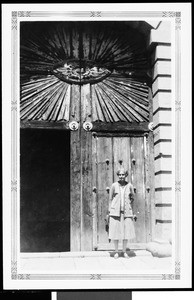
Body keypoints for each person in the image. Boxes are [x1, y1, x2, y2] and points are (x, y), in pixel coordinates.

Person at [108, 167, 136, 259]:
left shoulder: (130, 186)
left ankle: (124, 252)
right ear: (118, 175)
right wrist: (109, 211)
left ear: (126, 175)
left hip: (126, 213)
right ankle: (116, 251)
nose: (121, 176)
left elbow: (132, 198)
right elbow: (110, 199)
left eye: (123, 174)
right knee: (115, 232)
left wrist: (130, 208)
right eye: (119, 175)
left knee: (126, 232)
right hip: (115, 213)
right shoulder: (114, 185)